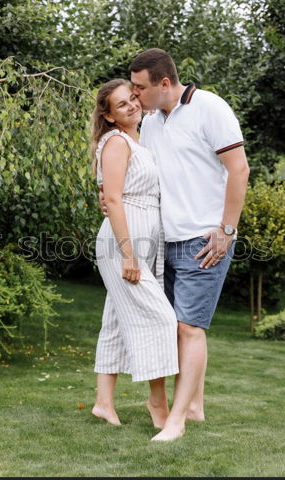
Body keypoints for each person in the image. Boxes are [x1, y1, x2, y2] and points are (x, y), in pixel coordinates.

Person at [99, 49, 250, 441]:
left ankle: (177, 419)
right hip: (162, 240)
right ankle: (193, 406)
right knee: (180, 328)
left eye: (140, 87)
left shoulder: (210, 108)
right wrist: (112, 196)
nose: (135, 95)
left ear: (164, 83)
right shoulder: (150, 123)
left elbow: (239, 169)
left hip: (204, 239)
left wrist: (227, 230)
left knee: (188, 327)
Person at [91, 79, 179, 429]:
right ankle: (157, 403)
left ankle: (103, 403)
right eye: (121, 104)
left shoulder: (139, 139)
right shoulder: (116, 141)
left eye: (132, 99)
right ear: (109, 116)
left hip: (143, 242)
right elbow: (112, 198)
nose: (131, 106)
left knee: (114, 322)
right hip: (122, 245)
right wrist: (128, 255)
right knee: (161, 318)